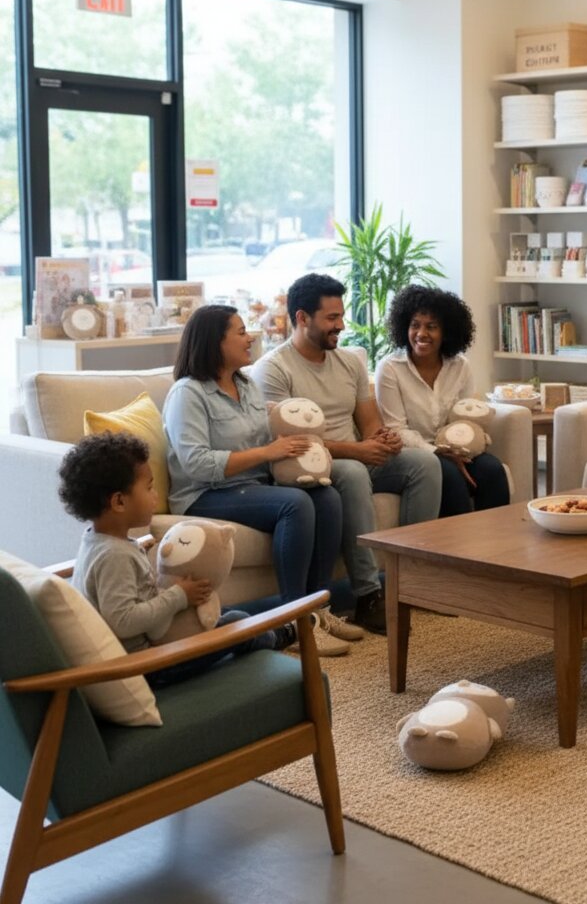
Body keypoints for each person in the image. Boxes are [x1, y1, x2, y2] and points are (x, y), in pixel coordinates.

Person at [252, 274, 442, 634]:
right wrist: (358, 451)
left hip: (357, 453)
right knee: (353, 473)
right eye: (331, 318)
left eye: (341, 316)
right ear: (302, 318)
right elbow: (292, 441)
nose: (340, 325)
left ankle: (414, 583)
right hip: (310, 464)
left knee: (424, 464)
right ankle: (368, 595)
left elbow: (368, 420)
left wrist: (382, 439)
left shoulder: (350, 361)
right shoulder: (274, 370)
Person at [162, 304, 351, 658]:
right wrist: (268, 453)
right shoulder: (188, 393)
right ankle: (292, 618)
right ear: (215, 342)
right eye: (241, 331)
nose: (250, 338)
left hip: (253, 485)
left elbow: (268, 436)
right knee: (294, 504)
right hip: (205, 492)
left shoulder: (246, 386)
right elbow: (196, 464)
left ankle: (316, 609)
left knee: (325, 496)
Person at [60, 432, 297, 687]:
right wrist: (178, 596)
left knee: (218, 613)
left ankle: (267, 628)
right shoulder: (114, 556)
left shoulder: (100, 542)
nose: (155, 495)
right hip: (151, 665)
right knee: (235, 624)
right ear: (119, 501)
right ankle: (283, 635)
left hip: (154, 645)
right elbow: (124, 621)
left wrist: (138, 550)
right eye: (149, 487)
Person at [375, 285, 509, 516]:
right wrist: (437, 451)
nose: (421, 334)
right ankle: (455, 548)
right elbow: (396, 428)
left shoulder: (460, 365)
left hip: (457, 448)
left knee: (493, 470)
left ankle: (496, 547)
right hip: (416, 453)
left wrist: (465, 447)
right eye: (415, 325)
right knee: (449, 474)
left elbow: (466, 418)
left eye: (431, 327)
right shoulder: (390, 368)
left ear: (446, 331)